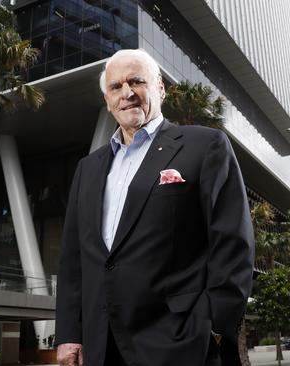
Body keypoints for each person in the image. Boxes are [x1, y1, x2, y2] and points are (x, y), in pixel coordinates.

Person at [55, 49, 255, 366]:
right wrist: (69, 333)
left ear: (159, 87)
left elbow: (232, 241)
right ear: (107, 100)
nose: (127, 94)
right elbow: (72, 262)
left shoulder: (205, 146)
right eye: (116, 87)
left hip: (179, 343)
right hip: (101, 346)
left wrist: (215, 324)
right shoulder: (88, 168)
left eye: (137, 81)